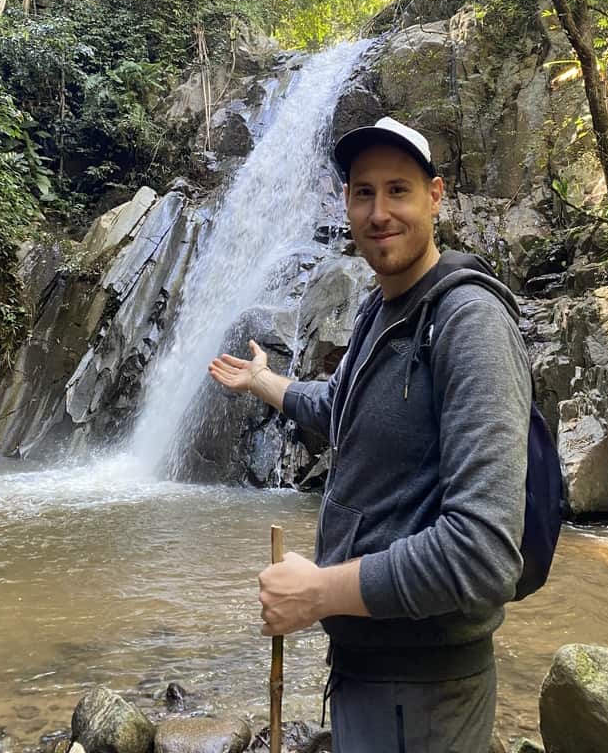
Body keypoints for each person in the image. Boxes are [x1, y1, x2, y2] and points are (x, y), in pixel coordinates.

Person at [208, 116, 531, 752]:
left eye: (399, 191)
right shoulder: (378, 310)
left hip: (428, 693)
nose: (379, 211)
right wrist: (264, 384)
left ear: (435, 196)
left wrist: (319, 593)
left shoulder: (471, 325)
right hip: (368, 670)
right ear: (347, 204)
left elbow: (484, 554)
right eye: (363, 193)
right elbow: (341, 408)